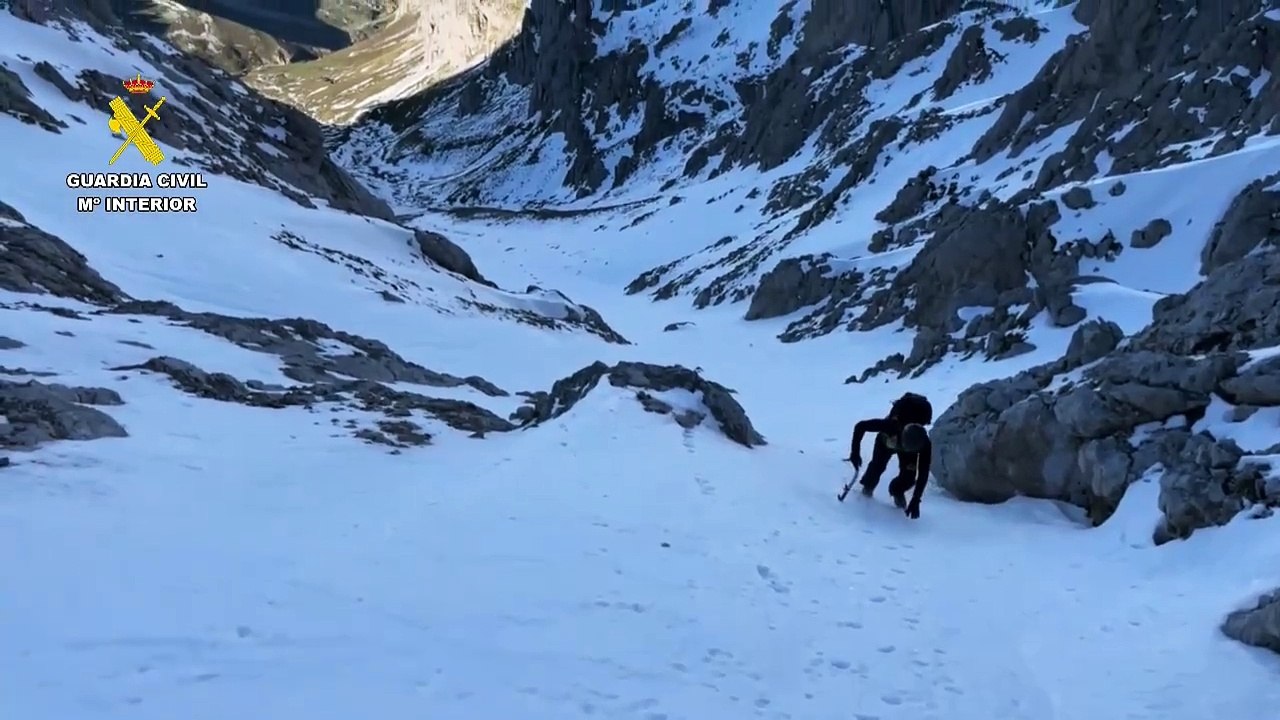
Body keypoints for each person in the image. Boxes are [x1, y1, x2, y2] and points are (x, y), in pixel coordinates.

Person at [848, 392, 933, 519]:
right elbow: (861, 426)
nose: (905, 450)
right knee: (877, 466)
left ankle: (897, 490)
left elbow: (923, 472)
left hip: (901, 441)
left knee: (908, 477)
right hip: (886, 441)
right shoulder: (890, 426)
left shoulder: (924, 444)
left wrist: (916, 499)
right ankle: (867, 488)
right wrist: (855, 453)